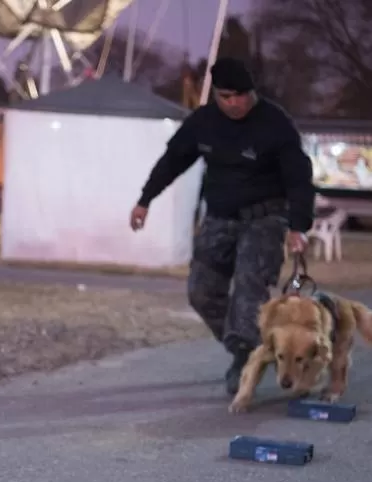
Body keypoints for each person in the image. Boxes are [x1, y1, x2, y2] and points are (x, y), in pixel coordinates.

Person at [129, 57, 315, 396]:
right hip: (219, 217)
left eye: (240, 96)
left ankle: (246, 360)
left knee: (248, 296)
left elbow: (299, 178)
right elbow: (173, 160)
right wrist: (145, 199)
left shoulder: (275, 123)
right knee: (201, 292)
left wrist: (298, 226)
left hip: (264, 219)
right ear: (216, 94)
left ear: (251, 92)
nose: (233, 104)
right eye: (225, 97)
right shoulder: (204, 122)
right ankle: (252, 346)